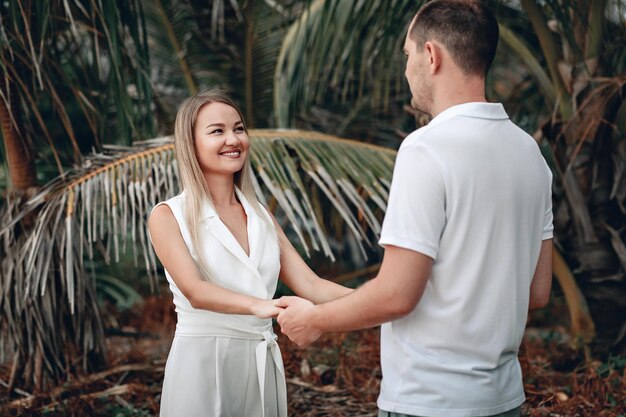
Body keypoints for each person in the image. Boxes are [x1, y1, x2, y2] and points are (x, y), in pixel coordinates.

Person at [276, 1, 553, 416]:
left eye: (407, 56)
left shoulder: (426, 148)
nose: (406, 71)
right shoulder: (530, 153)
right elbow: (536, 292)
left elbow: (396, 295)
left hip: (429, 402)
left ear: (431, 55)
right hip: (503, 401)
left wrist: (315, 320)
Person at [148, 89, 351, 417]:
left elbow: (312, 286)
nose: (233, 139)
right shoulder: (168, 215)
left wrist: (381, 300)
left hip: (261, 364)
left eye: (239, 128)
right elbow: (195, 291)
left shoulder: (261, 216)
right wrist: (264, 306)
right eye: (217, 131)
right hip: (203, 365)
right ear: (191, 143)